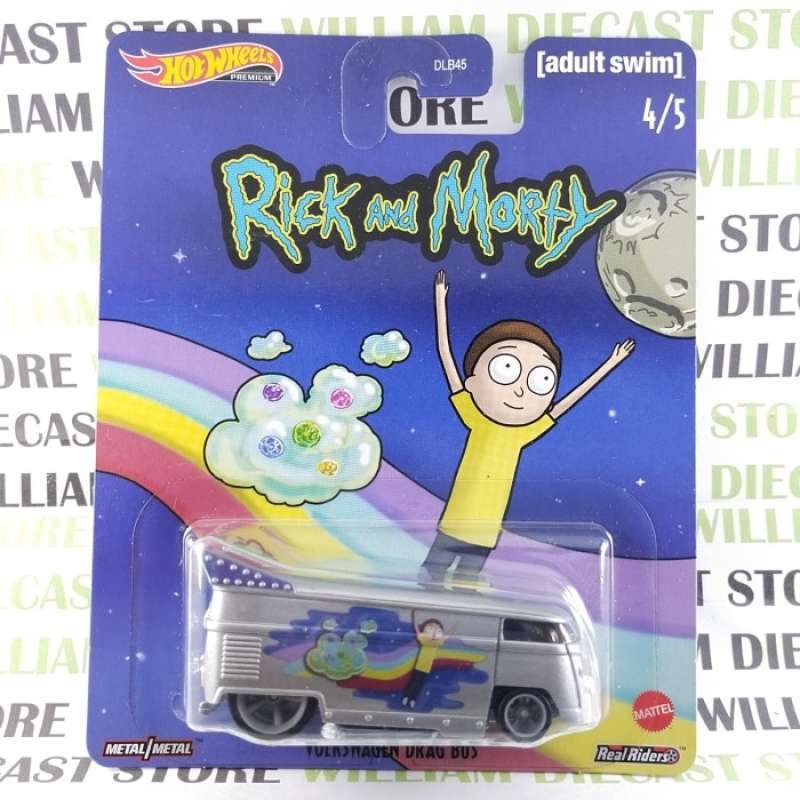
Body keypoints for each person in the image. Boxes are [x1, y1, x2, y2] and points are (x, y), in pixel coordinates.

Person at [421, 269, 635, 582]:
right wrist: (440, 300)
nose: (520, 390)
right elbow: (446, 356)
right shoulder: (475, 416)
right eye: (506, 368)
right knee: (431, 577)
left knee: (466, 586)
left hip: (485, 533)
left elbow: (566, 403)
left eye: (540, 379)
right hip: (454, 524)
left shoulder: (523, 432)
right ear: (472, 382)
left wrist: (610, 364)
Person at [401, 619, 445, 708]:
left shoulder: (437, 643)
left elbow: (442, 639)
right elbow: (418, 633)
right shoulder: (424, 641)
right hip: (419, 666)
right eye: (430, 630)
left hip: (427, 667)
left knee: (419, 684)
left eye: (437, 631)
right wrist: (417, 628)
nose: (433, 634)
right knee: (414, 682)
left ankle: (413, 699)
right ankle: (406, 697)